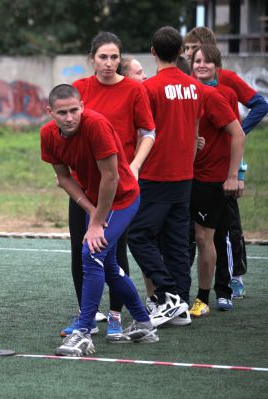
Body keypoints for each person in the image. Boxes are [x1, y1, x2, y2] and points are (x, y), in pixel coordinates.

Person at [41, 84, 158, 357]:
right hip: (96, 200)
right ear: (50, 113)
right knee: (107, 265)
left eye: (74, 110)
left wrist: (96, 221)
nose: (69, 117)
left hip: (123, 197)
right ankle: (143, 322)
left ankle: (83, 332)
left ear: (82, 106)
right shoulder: (47, 135)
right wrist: (89, 208)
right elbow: (64, 178)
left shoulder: (96, 125)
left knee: (91, 253)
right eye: (62, 113)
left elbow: (112, 177)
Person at [63, 32, 155, 340]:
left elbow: (148, 133)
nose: (109, 62)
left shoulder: (133, 89)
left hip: (118, 188)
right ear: (92, 59)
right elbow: (68, 131)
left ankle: (116, 315)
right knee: (82, 249)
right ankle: (85, 316)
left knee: (113, 253)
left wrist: (135, 166)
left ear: (120, 58)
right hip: (85, 185)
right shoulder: (79, 89)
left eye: (114, 57)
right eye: (103, 57)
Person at [183, 26, 268, 300]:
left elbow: (256, 110)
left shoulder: (227, 81)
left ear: (212, 55)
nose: (191, 57)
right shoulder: (187, 85)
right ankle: (188, 289)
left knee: (227, 228)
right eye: (188, 53)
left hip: (222, 169)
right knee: (194, 232)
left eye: (194, 51)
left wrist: (238, 170)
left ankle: (232, 279)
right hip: (193, 172)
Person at [127, 26, 204, 327]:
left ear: (153, 52)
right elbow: (196, 132)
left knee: (138, 235)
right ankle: (181, 305)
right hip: (184, 174)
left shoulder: (149, 88)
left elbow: (144, 132)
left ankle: (168, 293)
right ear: (182, 52)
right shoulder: (195, 87)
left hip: (156, 174)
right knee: (175, 241)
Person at [189, 44, 245, 316]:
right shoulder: (187, 92)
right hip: (186, 175)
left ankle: (213, 295)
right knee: (188, 237)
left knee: (210, 236)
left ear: (217, 66)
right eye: (197, 60)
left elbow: (238, 134)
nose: (201, 65)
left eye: (207, 62)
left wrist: (236, 176)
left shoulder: (222, 94)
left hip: (213, 177)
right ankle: (176, 295)